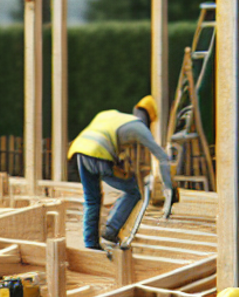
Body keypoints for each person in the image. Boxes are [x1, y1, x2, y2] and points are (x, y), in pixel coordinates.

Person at [67, 95, 177, 250]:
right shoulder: (139, 127)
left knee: (92, 199)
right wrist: (169, 187)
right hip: (99, 154)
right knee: (134, 191)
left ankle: (91, 244)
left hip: (79, 151)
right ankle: (111, 231)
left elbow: (106, 138)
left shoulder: (110, 115)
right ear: (149, 118)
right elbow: (162, 157)